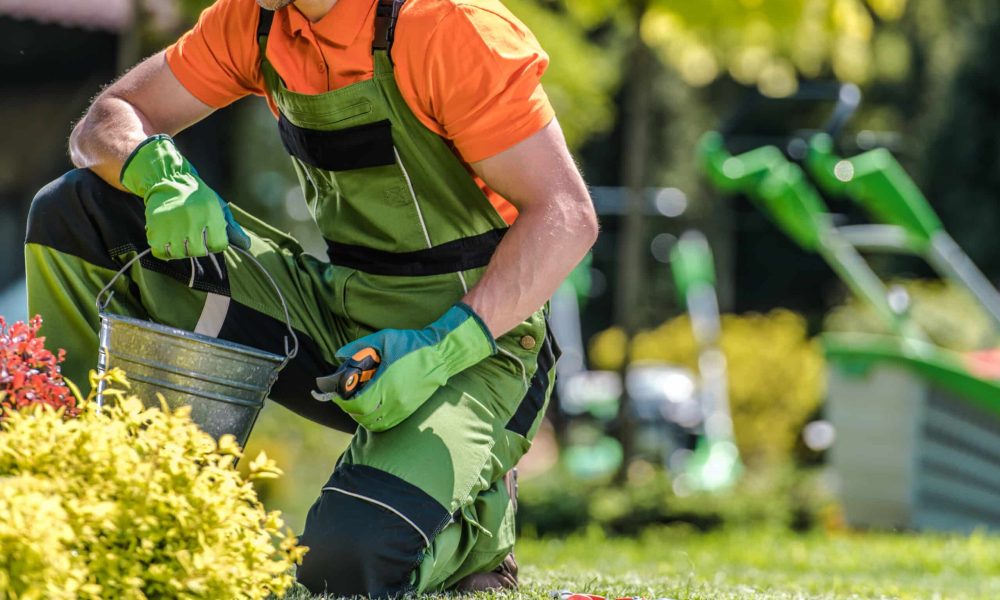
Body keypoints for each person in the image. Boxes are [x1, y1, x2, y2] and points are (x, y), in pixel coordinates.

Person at [24, 0, 597, 595]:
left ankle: (478, 538)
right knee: (76, 211)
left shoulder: (450, 27)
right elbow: (108, 118)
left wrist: (440, 349)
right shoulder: (254, 19)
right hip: (340, 315)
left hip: (480, 344)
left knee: (343, 565)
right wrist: (155, 167)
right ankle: (92, 488)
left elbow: (567, 214)